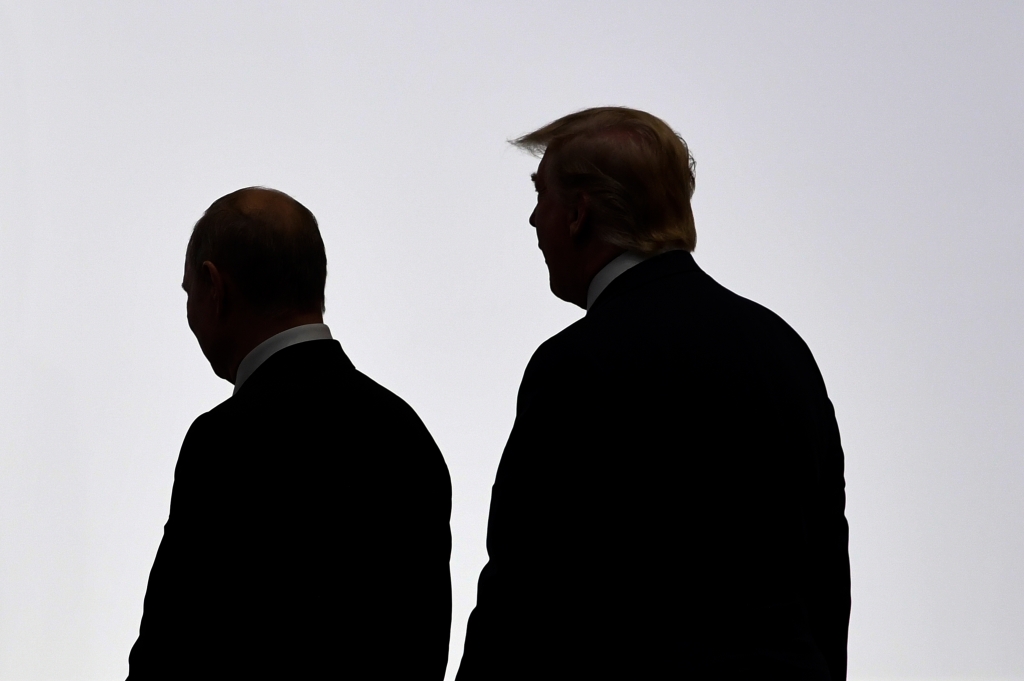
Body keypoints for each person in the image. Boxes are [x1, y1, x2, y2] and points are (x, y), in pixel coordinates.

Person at [456, 108, 850, 680]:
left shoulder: (578, 362)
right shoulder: (782, 349)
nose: (534, 219)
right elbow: (825, 569)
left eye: (541, 195)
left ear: (578, 214)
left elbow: (524, 588)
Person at [127, 187, 452, 679]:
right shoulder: (406, 433)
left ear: (215, 287)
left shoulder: (224, 443)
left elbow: (170, 648)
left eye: (189, 291)